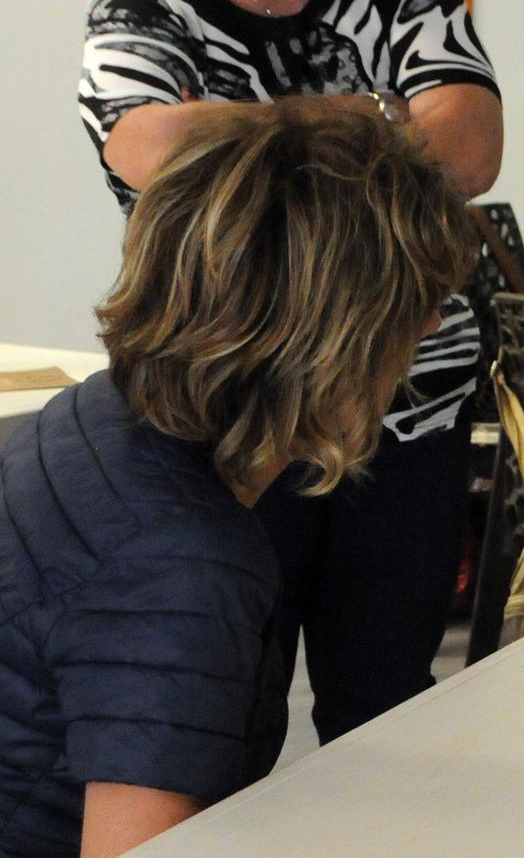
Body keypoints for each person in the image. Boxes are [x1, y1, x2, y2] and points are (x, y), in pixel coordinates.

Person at [76, 0, 502, 744]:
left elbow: (469, 145)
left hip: (405, 402)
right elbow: (150, 148)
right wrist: (368, 115)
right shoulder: (141, 1)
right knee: (223, 710)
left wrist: (242, 131)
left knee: (384, 709)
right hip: (230, 416)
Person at [0, 102, 476, 857]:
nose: (429, 330)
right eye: (421, 306)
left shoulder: (83, 418)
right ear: (336, 334)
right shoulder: (185, 563)